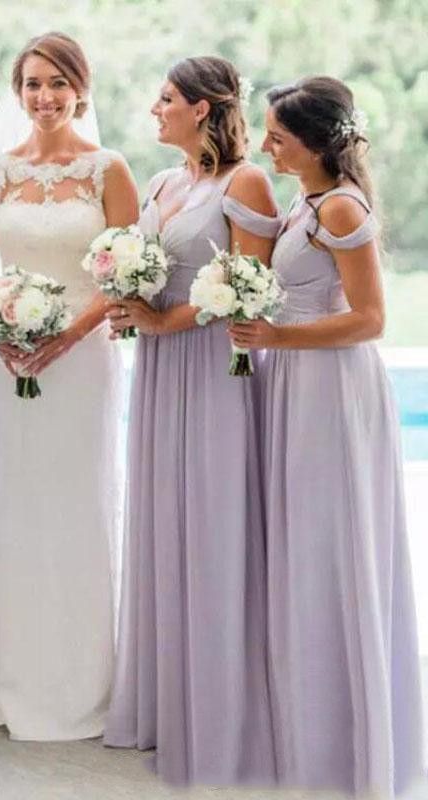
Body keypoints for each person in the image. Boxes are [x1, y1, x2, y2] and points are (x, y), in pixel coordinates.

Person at [229, 75, 424, 797]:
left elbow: (371, 319)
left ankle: (347, 737)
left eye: (277, 136)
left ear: (315, 144)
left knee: (330, 545)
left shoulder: (341, 206)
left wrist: (277, 335)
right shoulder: (304, 202)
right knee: (301, 545)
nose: (265, 146)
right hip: (294, 380)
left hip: (330, 387)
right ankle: (306, 721)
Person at [0, 31, 138, 740]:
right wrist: (0, 325)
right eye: (33, 83)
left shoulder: (107, 170)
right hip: (9, 360)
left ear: (80, 90)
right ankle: (16, 682)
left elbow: (126, 271)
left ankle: (82, 686)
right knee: (19, 501)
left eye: (58, 82)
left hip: (83, 359)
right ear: (18, 92)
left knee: (80, 502)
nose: (45, 96)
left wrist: (67, 334)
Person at [104, 56, 280, 787]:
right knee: (163, 522)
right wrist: (127, 302)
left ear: (202, 109)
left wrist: (162, 319)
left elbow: (249, 289)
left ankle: (220, 714)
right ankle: (166, 701)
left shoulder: (247, 183)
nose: (155, 108)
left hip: (213, 369)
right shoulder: (161, 183)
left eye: (167, 98)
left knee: (213, 525)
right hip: (157, 371)